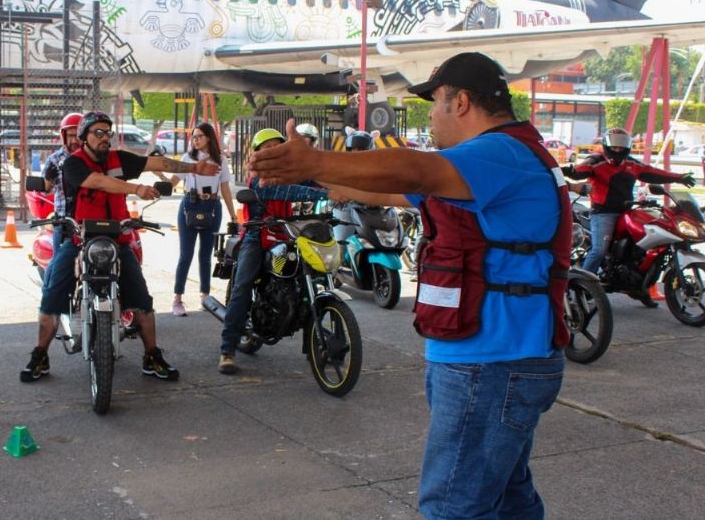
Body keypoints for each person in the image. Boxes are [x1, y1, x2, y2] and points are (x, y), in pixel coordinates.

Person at [248, 52, 572, 519]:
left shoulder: (497, 153)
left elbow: (414, 171)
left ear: (460, 102)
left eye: (435, 102)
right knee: (507, 500)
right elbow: (394, 190)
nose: (430, 115)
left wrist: (315, 159)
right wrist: (320, 175)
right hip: (497, 360)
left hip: (492, 362)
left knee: (453, 507)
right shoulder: (485, 165)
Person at [21, 110, 220, 383]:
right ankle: (40, 355)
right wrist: (136, 189)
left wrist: (194, 168)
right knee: (52, 297)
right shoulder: (73, 164)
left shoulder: (119, 159)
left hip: (117, 238)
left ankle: (152, 355)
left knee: (142, 300)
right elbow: (99, 182)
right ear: (84, 137)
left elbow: (155, 161)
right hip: (79, 238)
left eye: (108, 133)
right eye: (98, 133)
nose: (104, 138)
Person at [217, 128, 329, 375]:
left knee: (308, 279)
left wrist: (342, 185)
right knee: (243, 287)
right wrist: (328, 193)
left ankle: (317, 343)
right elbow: (288, 192)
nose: (272, 151)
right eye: (267, 147)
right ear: (257, 153)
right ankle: (227, 350)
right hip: (257, 235)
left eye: (277, 146)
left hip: (286, 233)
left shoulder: (290, 173)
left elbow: (313, 180)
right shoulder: (259, 176)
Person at [562, 128, 695, 288]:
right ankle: (580, 287)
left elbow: (653, 172)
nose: (618, 149)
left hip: (628, 211)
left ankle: (641, 286)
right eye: (614, 146)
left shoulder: (632, 164)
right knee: (599, 251)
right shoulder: (597, 161)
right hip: (604, 213)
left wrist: (680, 178)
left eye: (621, 146)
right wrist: (572, 171)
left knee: (642, 245)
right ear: (606, 145)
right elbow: (583, 168)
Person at [157, 123, 236, 316]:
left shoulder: (221, 161)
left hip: (212, 207)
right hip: (190, 205)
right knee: (186, 255)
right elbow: (173, 182)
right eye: (193, 137)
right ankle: (177, 299)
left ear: (209, 137)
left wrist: (233, 215)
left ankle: (205, 296)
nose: (196, 140)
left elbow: (225, 188)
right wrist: (158, 173)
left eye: (199, 136)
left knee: (206, 255)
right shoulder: (188, 159)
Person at [41, 112, 83, 249]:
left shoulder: (93, 158)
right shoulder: (54, 159)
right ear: (63, 136)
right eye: (71, 136)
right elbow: (45, 191)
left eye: (78, 136)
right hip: (64, 220)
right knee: (57, 265)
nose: (74, 140)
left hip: (89, 219)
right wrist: (48, 178)